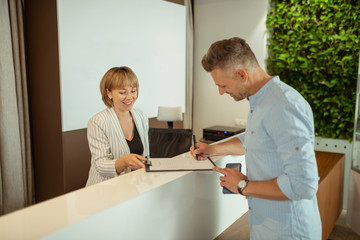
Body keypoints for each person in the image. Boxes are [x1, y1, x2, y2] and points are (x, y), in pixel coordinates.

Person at [190, 37, 321, 239]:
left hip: (289, 232)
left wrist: (242, 186)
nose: (221, 92)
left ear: (242, 74)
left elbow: (304, 184)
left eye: (223, 85)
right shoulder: (260, 100)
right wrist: (213, 149)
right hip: (265, 228)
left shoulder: (283, 105)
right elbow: (255, 140)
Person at [86, 66, 149, 187]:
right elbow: (100, 165)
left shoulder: (141, 117)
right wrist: (125, 161)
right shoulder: (97, 122)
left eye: (133, 91)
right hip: (103, 189)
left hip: (133, 186)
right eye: (122, 92)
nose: (130, 97)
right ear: (108, 93)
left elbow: (145, 156)